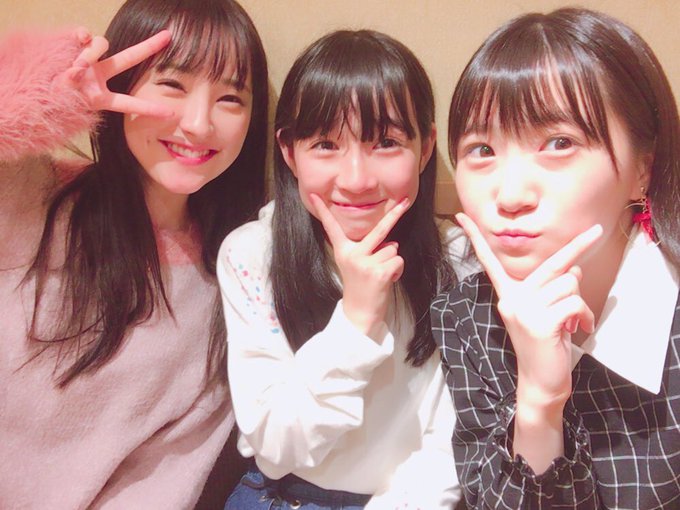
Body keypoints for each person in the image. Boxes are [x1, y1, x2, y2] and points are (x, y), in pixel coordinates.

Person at [0, 0, 267, 507]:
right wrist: (50, 98)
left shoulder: (233, 278)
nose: (199, 123)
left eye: (230, 98)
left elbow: (164, 477)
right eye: (173, 85)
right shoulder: (32, 199)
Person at [431, 7, 680, 509]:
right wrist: (539, 405)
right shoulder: (464, 315)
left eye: (559, 142)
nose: (510, 195)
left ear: (643, 169)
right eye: (482, 150)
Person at [218, 29, 473, 510]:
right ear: (289, 153)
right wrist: (356, 320)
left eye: (387, 142)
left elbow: (450, 446)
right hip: (280, 497)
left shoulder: (458, 259)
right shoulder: (252, 254)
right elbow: (275, 448)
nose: (356, 179)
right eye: (325, 144)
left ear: (425, 149)